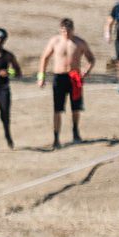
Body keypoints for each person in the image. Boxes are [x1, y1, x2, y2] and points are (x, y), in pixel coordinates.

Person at [36, 18, 96, 149]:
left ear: (73, 30)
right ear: (60, 30)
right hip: (59, 77)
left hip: (74, 77)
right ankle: (56, 138)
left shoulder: (79, 43)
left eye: (68, 31)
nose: (66, 33)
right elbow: (44, 58)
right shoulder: (55, 41)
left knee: (76, 107)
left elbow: (91, 58)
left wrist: (86, 70)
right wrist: (41, 76)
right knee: (57, 109)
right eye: (64, 31)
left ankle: (75, 131)